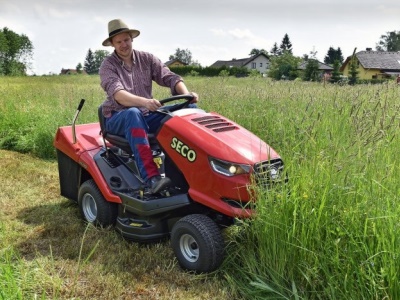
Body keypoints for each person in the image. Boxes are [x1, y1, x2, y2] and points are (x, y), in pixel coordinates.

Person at [99, 19, 199, 194]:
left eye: (126, 40)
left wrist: (188, 95)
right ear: (113, 44)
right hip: (117, 117)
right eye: (119, 42)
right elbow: (119, 95)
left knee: (189, 112)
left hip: (145, 113)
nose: (123, 45)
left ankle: (189, 174)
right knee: (132, 113)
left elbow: (170, 78)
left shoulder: (147, 59)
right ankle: (151, 179)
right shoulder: (108, 66)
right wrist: (145, 102)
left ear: (132, 39)